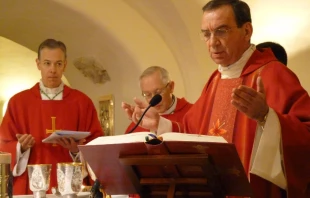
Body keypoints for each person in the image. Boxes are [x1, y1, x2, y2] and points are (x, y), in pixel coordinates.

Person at [124, 1, 310, 197]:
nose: (212, 42)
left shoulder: (273, 74)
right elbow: (194, 131)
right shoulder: (215, 80)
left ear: (246, 31)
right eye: (206, 34)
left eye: (221, 31)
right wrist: (161, 124)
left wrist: (266, 117)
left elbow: (305, 136)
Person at [0, 39, 103, 195]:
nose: (53, 70)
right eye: (47, 63)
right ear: (38, 64)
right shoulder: (18, 102)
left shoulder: (82, 102)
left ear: (65, 65)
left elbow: (97, 145)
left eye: (58, 64)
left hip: (72, 185)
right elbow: (4, 145)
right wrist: (21, 147)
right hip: (31, 185)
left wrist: (76, 150)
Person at [122, 66, 192, 133]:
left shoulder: (192, 112)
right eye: (148, 94)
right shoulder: (139, 122)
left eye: (158, 92)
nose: (153, 100)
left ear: (171, 87)